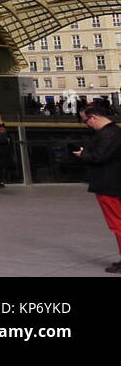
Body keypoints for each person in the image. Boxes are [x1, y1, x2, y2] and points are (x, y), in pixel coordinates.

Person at [72, 102, 121, 273]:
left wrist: (83, 154)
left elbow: (99, 157)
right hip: (114, 182)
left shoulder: (108, 134)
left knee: (117, 223)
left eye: (85, 121)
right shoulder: (115, 131)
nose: (87, 124)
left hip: (108, 185)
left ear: (94, 117)